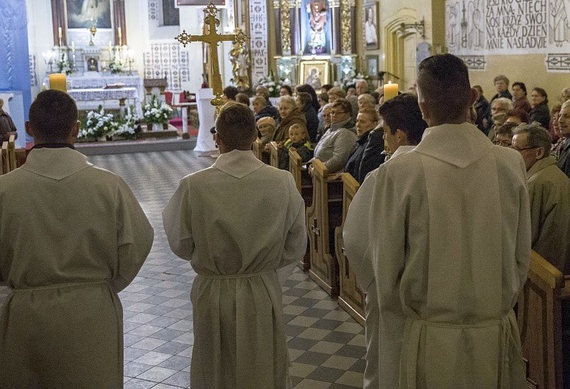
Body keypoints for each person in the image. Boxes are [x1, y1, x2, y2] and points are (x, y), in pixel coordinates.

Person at [343, 54, 531, 388]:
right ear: (473, 99)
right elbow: (520, 253)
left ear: (423, 107)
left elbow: (384, 271)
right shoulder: (509, 163)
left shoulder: (398, 172)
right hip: (494, 334)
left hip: (427, 340)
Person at [0, 90, 154, 386]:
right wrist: (104, 284)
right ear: (76, 128)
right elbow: (138, 243)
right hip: (92, 313)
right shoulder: (109, 185)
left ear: (30, 128)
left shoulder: (6, 190)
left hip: (27, 315)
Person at [163, 102, 307, 387]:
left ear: (217, 137)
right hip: (261, 288)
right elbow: (296, 242)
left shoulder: (194, 184)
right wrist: (267, 271)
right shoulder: (281, 181)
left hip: (214, 289)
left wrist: (210, 258)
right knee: (263, 364)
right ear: (255, 135)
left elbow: (179, 242)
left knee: (215, 367)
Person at [343, 94, 426, 387]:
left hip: (392, 296)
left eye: (385, 132)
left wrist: (374, 283)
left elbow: (354, 238)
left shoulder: (385, 176)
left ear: (399, 134)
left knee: (388, 365)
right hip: (442, 302)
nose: (385, 140)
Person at [513, 123, 570, 272]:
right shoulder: (558, 175)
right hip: (556, 264)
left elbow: (526, 234)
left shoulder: (536, 182)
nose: (512, 154)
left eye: (517, 149)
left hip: (540, 269)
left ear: (539, 152)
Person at [313, 98, 358, 173]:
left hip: (327, 175)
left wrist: (318, 168)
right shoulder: (332, 128)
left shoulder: (345, 133)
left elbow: (338, 161)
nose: (334, 115)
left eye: (338, 113)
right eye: (332, 112)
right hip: (318, 170)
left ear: (348, 114)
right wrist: (311, 163)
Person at [344, 108, 385, 183]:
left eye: (362, 122)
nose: (358, 125)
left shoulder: (372, 143)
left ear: (374, 124)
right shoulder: (361, 142)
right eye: (357, 121)